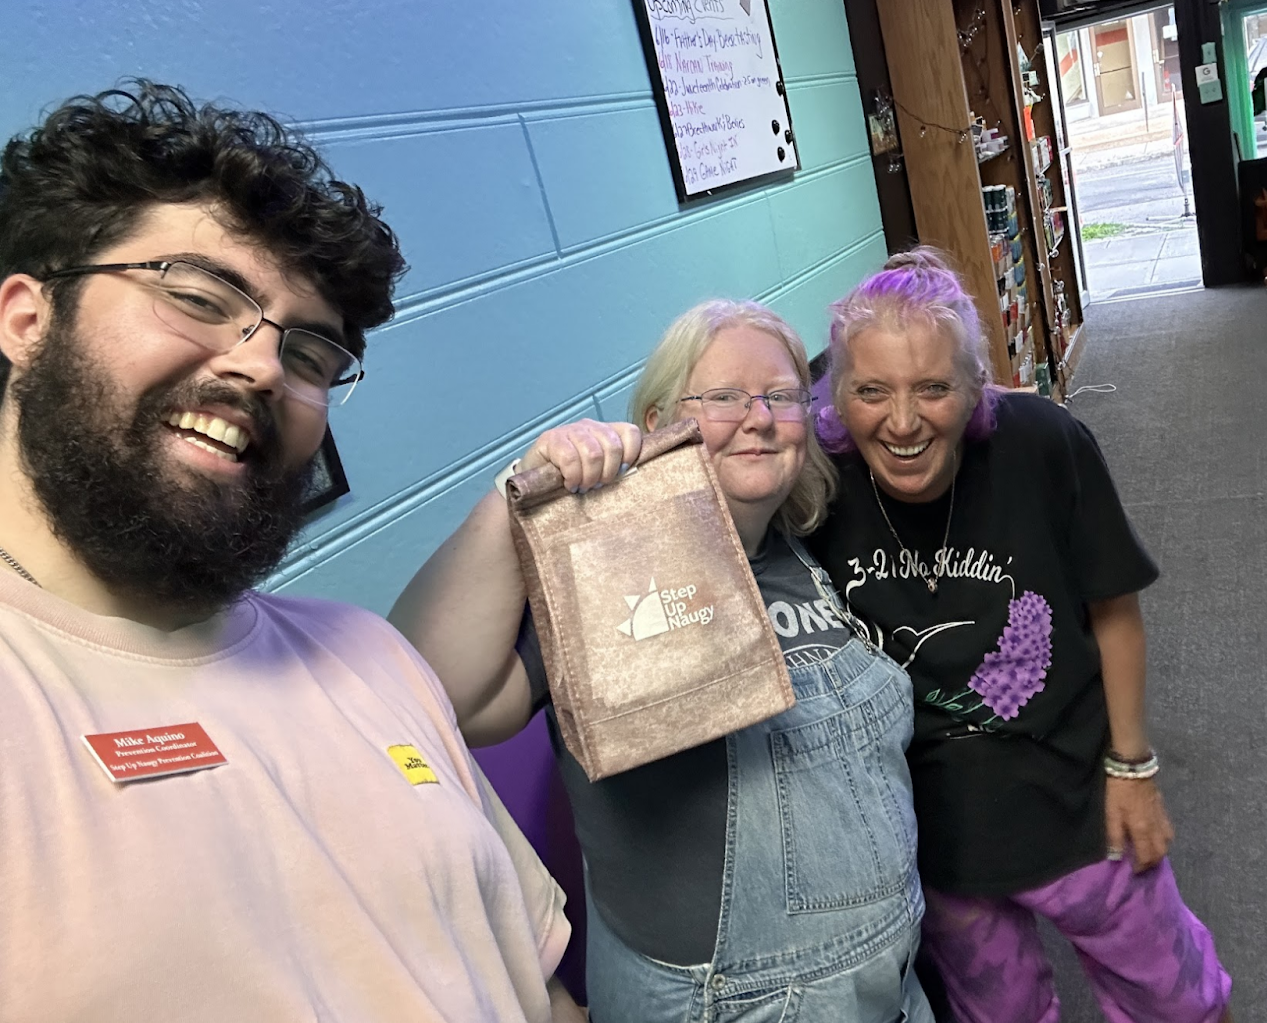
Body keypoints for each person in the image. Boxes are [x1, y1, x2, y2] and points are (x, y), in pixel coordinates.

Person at [0, 81, 583, 1022]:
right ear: (28, 319)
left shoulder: (368, 657)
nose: (262, 365)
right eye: (196, 295)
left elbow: (540, 988)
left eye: (309, 352)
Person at [391, 300, 933, 1022]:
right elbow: (436, 692)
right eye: (722, 397)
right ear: (656, 423)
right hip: (739, 1002)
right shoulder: (601, 567)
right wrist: (514, 492)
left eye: (781, 395)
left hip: (886, 978)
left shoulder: (803, 547)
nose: (759, 417)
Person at [808, 247, 1233, 1023]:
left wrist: (1133, 767)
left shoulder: (1042, 442)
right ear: (837, 395)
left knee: (1178, 1000)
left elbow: (1113, 609)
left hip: (1081, 804)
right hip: (935, 843)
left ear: (977, 388)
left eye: (933, 387)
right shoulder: (815, 479)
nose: (901, 422)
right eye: (871, 391)